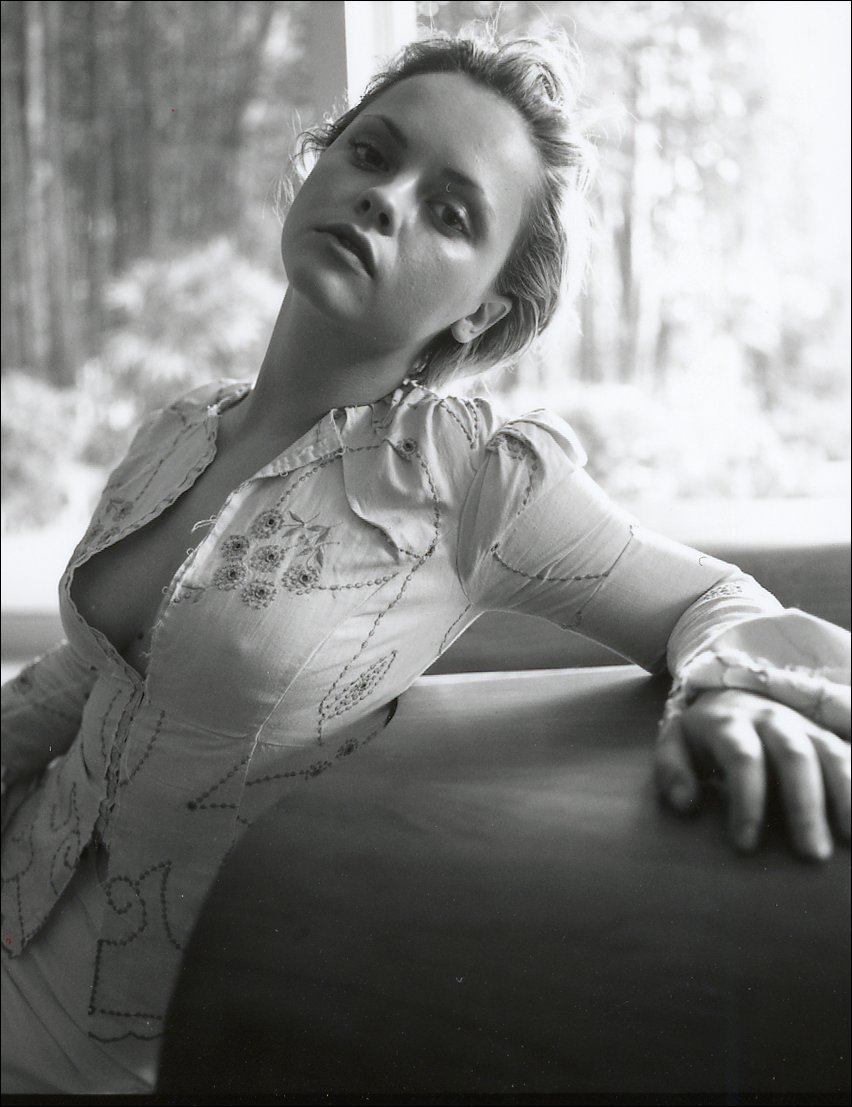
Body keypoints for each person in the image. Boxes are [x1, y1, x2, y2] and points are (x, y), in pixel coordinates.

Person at [2, 30, 849, 1096]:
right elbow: (90, 674)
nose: (383, 197)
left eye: (451, 213)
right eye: (370, 152)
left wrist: (737, 693)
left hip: (147, 1044)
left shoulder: (471, 479)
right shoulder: (177, 431)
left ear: (483, 307)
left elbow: (714, 598)